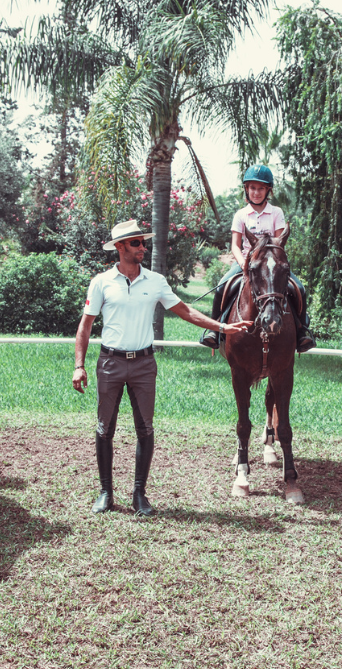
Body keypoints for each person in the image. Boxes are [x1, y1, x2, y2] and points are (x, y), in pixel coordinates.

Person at [73, 219, 251, 516]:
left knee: (145, 429)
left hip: (143, 364)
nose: (143, 247)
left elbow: (185, 311)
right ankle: (106, 492)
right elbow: (85, 327)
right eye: (136, 243)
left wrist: (223, 327)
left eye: (143, 242)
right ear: (120, 247)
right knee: (105, 429)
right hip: (110, 363)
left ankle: (139, 494)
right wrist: (79, 366)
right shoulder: (101, 282)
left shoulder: (155, 281)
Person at [200, 164, 316, 352]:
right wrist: (243, 264)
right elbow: (235, 246)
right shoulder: (241, 215)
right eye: (253, 188)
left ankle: (302, 332)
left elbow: (279, 243)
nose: (256, 192)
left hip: (271, 264)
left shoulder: (276, 212)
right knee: (222, 287)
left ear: (268, 190)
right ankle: (215, 330)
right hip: (247, 262)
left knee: (299, 288)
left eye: (261, 188)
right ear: (246, 189)